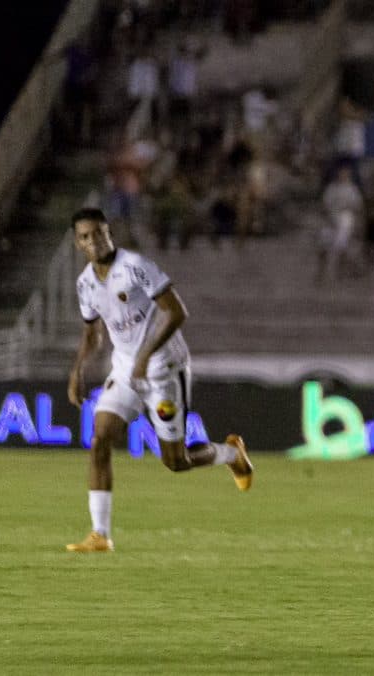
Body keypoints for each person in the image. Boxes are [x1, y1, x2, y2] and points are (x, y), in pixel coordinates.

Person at [65, 208, 253, 553]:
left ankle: (231, 453)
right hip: (124, 370)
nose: (94, 241)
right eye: (85, 236)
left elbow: (177, 311)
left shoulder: (136, 267)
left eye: (99, 233)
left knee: (175, 461)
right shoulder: (85, 284)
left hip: (165, 368)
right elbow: (93, 334)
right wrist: (77, 369)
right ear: (78, 243)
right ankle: (100, 534)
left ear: (110, 232)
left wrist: (146, 355)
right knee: (99, 438)